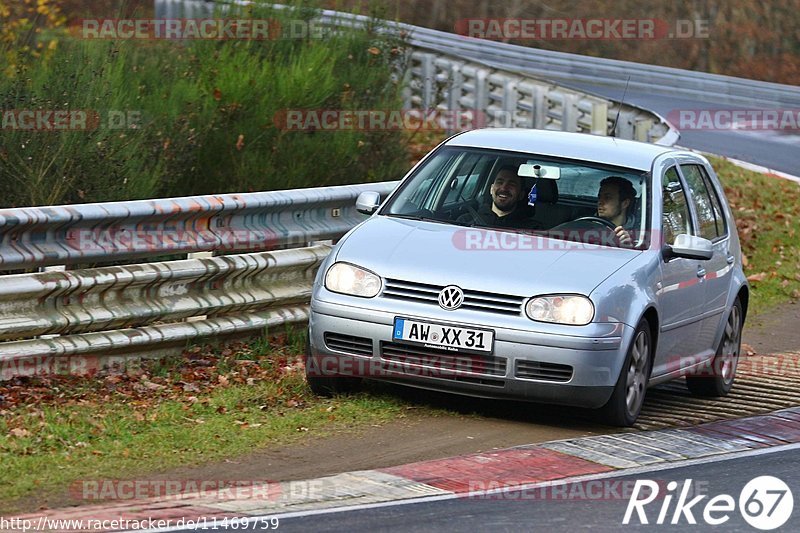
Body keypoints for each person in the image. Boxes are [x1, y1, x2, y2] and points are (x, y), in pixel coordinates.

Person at [456, 166, 533, 229]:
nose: (504, 188)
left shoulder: (532, 229)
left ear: (521, 195)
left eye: (512, 184)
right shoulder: (465, 221)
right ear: (491, 189)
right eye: (500, 182)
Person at [596, 176, 637, 246]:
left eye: (607, 197)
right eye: (599, 197)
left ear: (625, 203)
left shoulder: (639, 233)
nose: (600, 202)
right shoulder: (588, 225)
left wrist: (629, 247)